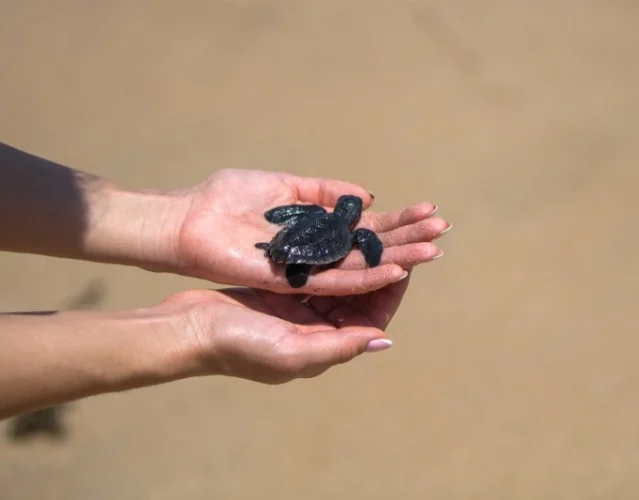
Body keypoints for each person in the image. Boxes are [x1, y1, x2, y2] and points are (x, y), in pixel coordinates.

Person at [0, 142, 450, 419]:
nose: (352, 213)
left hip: (288, 242)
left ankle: (287, 263)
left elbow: (283, 216)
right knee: (301, 272)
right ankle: (293, 269)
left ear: (342, 213)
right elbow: (363, 245)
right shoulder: (354, 234)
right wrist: (195, 335)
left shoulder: (315, 214)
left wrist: (180, 223)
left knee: (292, 261)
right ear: (354, 221)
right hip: (310, 250)